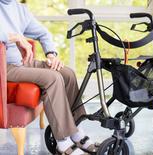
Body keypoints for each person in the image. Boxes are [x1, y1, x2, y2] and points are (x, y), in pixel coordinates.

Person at [0, 0, 96, 154]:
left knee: (67, 73)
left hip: (22, 62)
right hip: (4, 67)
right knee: (52, 78)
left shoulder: (19, 8)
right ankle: (63, 142)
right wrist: (17, 37)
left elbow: (43, 33)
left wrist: (51, 55)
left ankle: (77, 130)